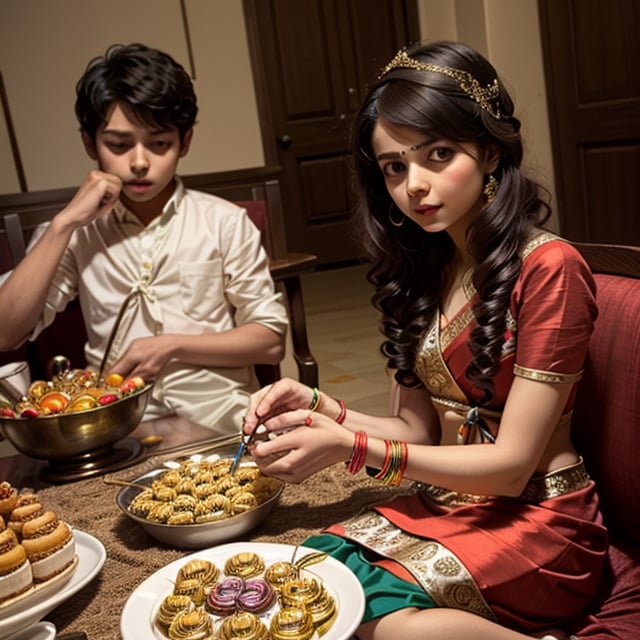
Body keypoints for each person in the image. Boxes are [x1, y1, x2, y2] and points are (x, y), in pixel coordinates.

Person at [242, 41, 607, 639]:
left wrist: (351, 448)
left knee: (392, 624)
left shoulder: (549, 268)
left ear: (490, 151)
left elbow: (513, 468)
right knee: (306, 581)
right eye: (394, 166)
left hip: (541, 518)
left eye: (439, 154)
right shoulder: (427, 266)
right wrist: (317, 407)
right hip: (452, 501)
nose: (415, 184)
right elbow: (416, 430)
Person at [0, 43, 288, 433]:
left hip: (220, 411)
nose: (138, 162)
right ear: (90, 144)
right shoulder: (75, 231)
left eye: (159, 144)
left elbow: (270, 340)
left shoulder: (224, 221)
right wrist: (64, 223)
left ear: (184, 143)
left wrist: (171, 345)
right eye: (118, 145)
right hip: (112, 420)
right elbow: (6, 332)